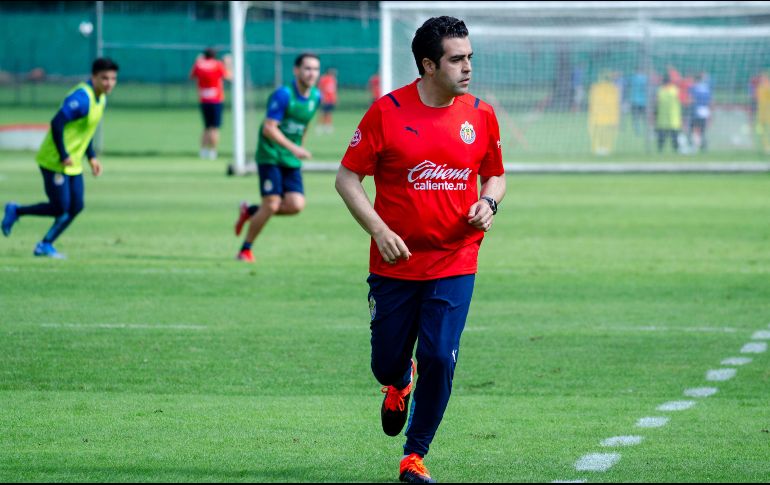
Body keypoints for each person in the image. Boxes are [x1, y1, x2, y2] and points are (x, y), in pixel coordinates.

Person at [335, 16, 505, 484]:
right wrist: (378, 229)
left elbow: (495, 173)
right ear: (428, 65)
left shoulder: (481, 114)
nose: (467, 66)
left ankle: (414, 456)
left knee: (440, 355)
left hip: (455, 259)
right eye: (456, 59)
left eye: (470, 57)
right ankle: (398, 381)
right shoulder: (386, 113)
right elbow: (347, 178)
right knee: (386, 363)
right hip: (395, 265)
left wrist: (488, 201)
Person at [2, 58, 119, 258]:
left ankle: (45, 244)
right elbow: (57, 123)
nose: (109, 83)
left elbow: (84, 132)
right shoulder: (82, 98)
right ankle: (16, 210)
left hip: (72, 162)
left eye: (113, 79)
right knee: (60, 207)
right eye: (104, 78)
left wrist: (91, 157)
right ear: (94, 77)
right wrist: (63, 155)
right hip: (54, 160)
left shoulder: (101, 98)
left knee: (76, 206)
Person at [233, 53, 321, 263]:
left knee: (295, 205)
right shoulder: (283, 95)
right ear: (296, 71)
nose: (311, 73)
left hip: (290, 158)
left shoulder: (315, 97)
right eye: (307, 68)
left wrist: (299, 146)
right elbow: (268, 128)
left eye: (315, 69)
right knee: (272, 204)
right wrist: (295, 148)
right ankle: (245, 250)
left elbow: (304, 124)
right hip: (270, 154)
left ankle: (251, 210)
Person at [190, 47, 232, 160]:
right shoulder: (218, 65)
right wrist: (228, 64)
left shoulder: (199, 65)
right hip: (216, 100)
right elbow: (229, 77)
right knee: (215, 128)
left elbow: (192, 76)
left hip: (204, 100)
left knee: (206, 127)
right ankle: (213, 152)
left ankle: (203, 151)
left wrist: (197, 61)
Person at [587, 71, 621, 155]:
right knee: (607, 133)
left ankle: (598, 148)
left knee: (598, 132)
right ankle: (606, 149)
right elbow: (617, 103)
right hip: (610, 117)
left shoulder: (595, 88)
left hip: (597, 116)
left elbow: (591, 102)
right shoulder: (615, 88)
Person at [655, 72, 682, 153]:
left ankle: (661, 151)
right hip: (672, 119)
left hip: (664, 119)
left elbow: (656, 103)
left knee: (663, 139)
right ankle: (675, 151)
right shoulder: (675, 90)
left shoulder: (660, 90)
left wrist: (654, 115)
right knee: (673, 138)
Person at [689, 72, 712, 152]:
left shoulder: (694, 87)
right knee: (702, 131)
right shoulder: (706, 88)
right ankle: (703, 146)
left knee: (693, 129)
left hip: (696, 111)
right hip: (705, 111)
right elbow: (710, 101)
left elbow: (691, 99)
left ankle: (695, 146)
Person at [629, 67, 649, 136]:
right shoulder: (645, 78)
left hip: (634, 101)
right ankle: (647, 131)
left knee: (635, 118)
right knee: (644, 118)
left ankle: (637, 131)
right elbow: (647, 88)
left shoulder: (633, 78)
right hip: (643, 102)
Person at [317, 67, 338, 134]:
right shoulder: (323, 79)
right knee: (322, 113)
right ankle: (319, 127)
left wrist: (335, 98)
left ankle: (327, 126)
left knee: (329, 113)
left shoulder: (333, 79)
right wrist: (322, 97)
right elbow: (320, 88)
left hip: (331, 99)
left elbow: (334, 90)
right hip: (325, 99)